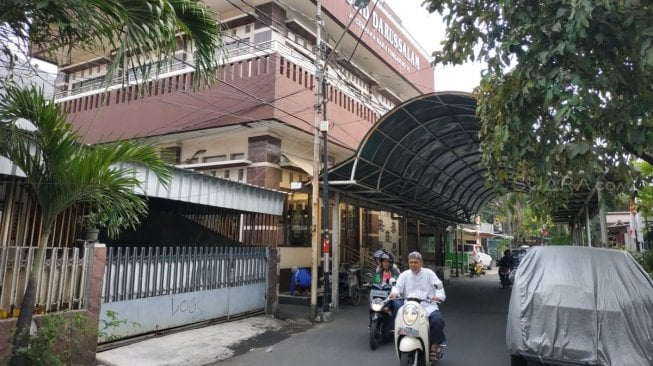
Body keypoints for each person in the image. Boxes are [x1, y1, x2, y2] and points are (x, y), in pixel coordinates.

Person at [389, 251, 446, 362]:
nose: (413, 264)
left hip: (427, 306)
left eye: (415, 262)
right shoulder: (404, 275)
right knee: (398, 317)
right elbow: (397, 287)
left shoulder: (429, 273)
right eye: (411, 262)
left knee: (438, 320)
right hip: (410, 307)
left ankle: (434, 347)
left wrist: (438, 296)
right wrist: (394, 293)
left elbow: (438, 287)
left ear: (421, 262)